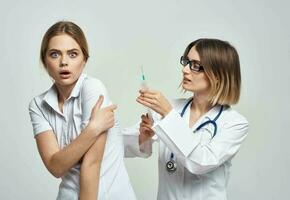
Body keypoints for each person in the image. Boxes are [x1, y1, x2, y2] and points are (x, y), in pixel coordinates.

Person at [123, 38, 249, 200]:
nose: (185, 69)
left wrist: (168, 115)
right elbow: (120, 145)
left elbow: (201, 162)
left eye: (195, 65)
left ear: (218, 75)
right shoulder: (170, 107)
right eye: (186, 62)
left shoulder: (234, 123)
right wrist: (142, 137)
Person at [28, 21, 136, 200]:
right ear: (44, 61)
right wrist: (93, 129)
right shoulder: (38, 105)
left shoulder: (93, 88)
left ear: (84, 59)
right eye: (55, 54)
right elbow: (55, 167)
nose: (64, 62)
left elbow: (91, 164)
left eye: (73, 54)